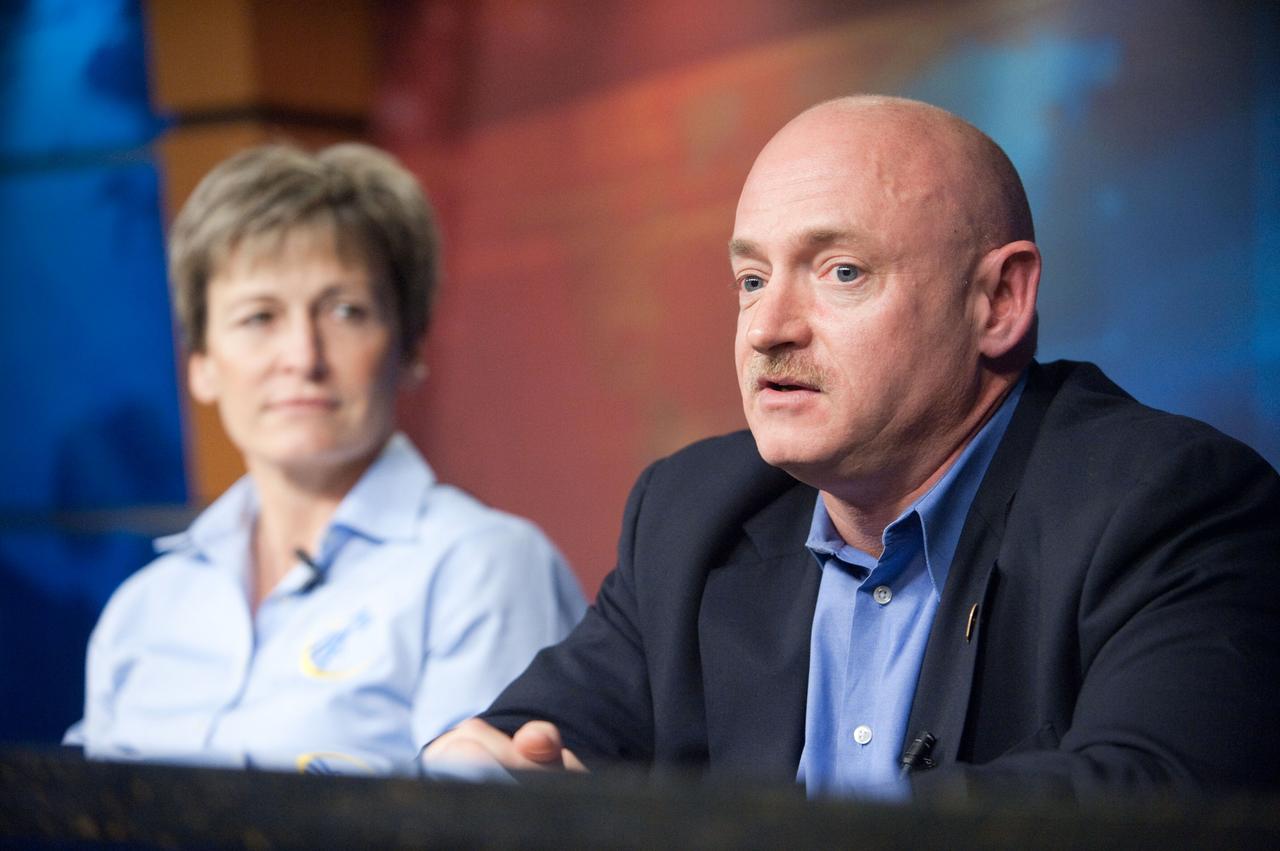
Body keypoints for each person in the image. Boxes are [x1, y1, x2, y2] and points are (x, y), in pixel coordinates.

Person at [423, 96, 1280, 798]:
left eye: (841, 272)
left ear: (999, 302)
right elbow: (533, 738)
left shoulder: (1173, 503)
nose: (767, 328)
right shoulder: (693, 511)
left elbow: (1153, 796)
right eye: (751, 280)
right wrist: (479, 771)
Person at [65, 143, 586, 775]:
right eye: (259, 317)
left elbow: (474, 832)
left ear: (412, 345)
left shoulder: (483, 567)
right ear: (200, 364)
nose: (301, 356)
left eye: (345, 312)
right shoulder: (143, 609)